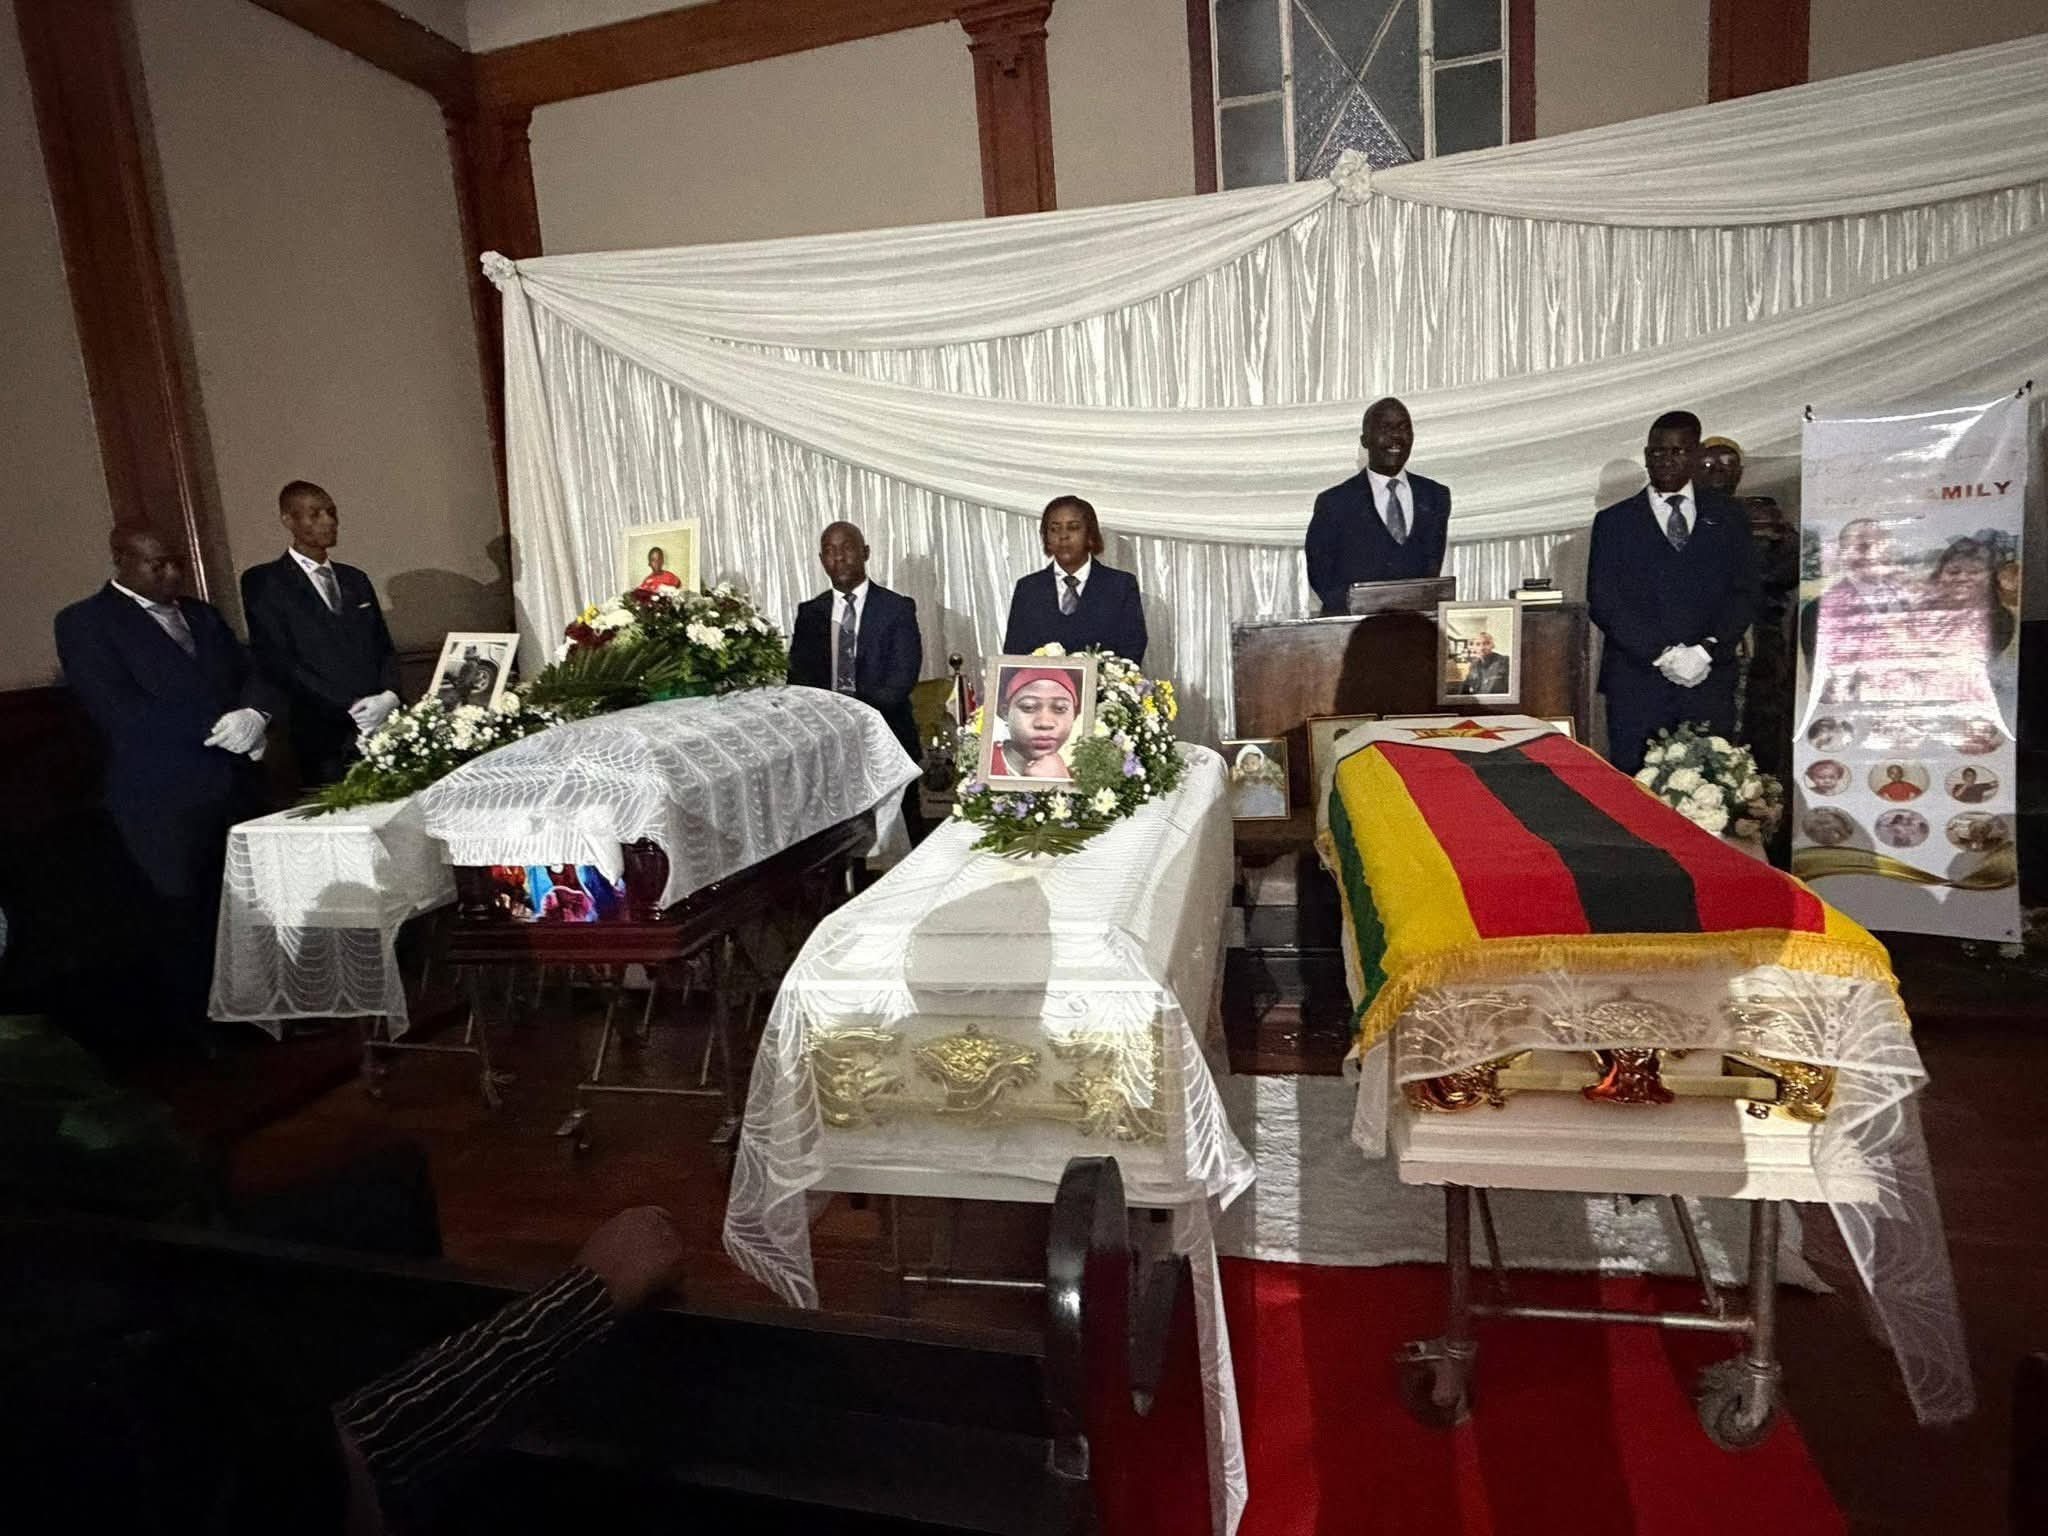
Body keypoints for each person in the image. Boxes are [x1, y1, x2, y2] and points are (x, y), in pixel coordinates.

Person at [54, 527, 276, 1044]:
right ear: (121, 560)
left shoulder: (201, 614)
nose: (171, 573)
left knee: (245, 906)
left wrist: (256, 714)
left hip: (234, 786)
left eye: (176, 562)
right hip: (163, 798)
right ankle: (203, 1035)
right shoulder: (86, 622)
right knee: (183, 916)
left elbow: (252, 674)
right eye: (156, 565)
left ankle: (258, 1015)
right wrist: (220, 733)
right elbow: (119, 711)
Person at [1587, 409, 1759, 773]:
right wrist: (1662, 654)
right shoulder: (1615, 521)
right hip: (1638, 679)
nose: (1665, 460)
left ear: (1696, 455)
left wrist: (1707, 649)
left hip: (1708, 676)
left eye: (1677, 451)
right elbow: (1604, 600)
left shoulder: (1728, 516)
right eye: (1656, 452)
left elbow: (1744, 592)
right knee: (1638, 790)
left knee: (1710, 785)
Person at [241, 481, 400, 786]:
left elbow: (382, 645)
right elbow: (279, 660)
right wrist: (351, 706)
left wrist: (389, 696)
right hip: (320, 730)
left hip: (379, 725)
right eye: (314, 514)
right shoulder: (266, 581)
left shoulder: (355, 578)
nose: (328, 521)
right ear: (289, 520)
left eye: (331, 512)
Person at [787, 521, 924, 764]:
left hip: (886, 736)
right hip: (825, 742)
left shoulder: (896, 609)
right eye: (829, 551)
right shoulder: (810, 612)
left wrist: (851, 716)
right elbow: (799, 680)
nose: (838, 557)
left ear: (866, 552)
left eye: (847, 547)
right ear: (821, 560)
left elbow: (901, 678)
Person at [1303, 397, 1452, 615]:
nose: (1396, 437)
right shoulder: (1334, 503)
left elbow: (1430, 575)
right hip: (1355, 638)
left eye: (1403, 428)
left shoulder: (1435, 496)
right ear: (1365, 440)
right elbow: (1322, 579)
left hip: (1416, 634)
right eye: (1385, 428)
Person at [1002, 496, 1148, 664]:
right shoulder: (1028, 589)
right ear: (1046, 539)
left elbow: (1132, 650)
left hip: (1100, 688)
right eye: (1054, 529)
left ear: (1090, 535)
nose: (1063, 536)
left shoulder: (1120, 586)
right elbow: (1013, 654)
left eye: (1073, 527)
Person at [989, 666, 1080, 779]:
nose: (1044, 723)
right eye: (1028, 707)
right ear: (1005, 713)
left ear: (1074, 716)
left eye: (1060, 709)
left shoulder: (1074, 778)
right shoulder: (981, 762)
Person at [435, 645, 499, 709]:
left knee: (450, 703)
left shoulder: (470, 664)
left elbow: (466, 680)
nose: (464, 655)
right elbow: (467, 679)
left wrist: (454, 680)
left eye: (466, 653)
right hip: (465, 688)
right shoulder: (473, 664)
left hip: (462, 688)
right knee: (463, 701)